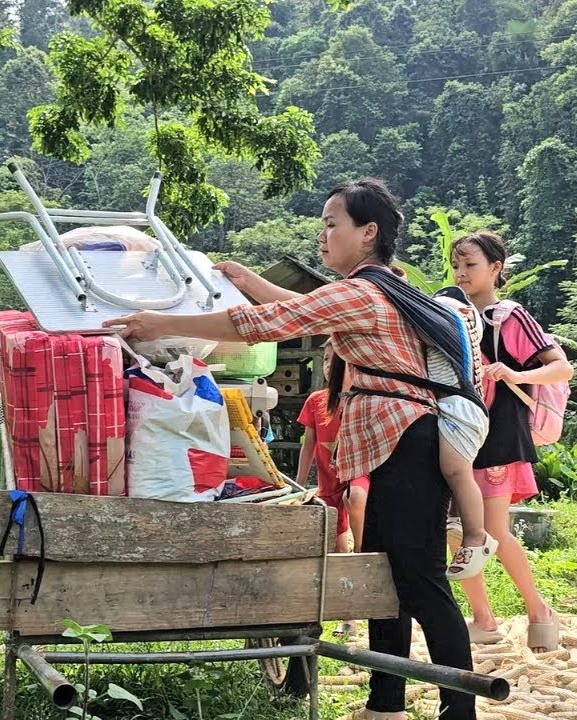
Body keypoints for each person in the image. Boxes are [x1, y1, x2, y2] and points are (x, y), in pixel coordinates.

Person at [119, 179, 476, 720]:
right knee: (386, 575)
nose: (323, 235)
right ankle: (386, 705)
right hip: (397, 444)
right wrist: (246, 278)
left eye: (333, 224)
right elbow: (306, 310)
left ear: (369, 232)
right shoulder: (380, 289)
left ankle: (462, 708)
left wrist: (160, 322)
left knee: (419, 578)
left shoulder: (361, 291)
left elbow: (265, 325)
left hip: (408, 442)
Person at [447, 231, 570, 652]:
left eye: (471, 265)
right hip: (458, 435)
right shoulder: (451, 315)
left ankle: (539, 612)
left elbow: (561, 368)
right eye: (457, 266)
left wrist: (516, 374)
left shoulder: (508, 316)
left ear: (496, 268)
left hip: (498, 435)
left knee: (493, 529)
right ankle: (484, 618)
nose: (462, 273)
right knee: (457, 530)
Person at [295, 341, 370, 638]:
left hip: (356, 479)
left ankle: (366, 548)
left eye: (337, 361)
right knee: (338, 550)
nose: (330, 366)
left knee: (357, 498)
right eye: (325, 360)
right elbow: (308, 445)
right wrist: (299, 485)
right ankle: (348, 617)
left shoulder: (364, 401)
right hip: (328, 486)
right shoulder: (316, 401)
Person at [426, 287, 496, 580]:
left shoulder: (447, 318)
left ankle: (476, 536)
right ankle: (460, 523)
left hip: (459, 405)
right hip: (462, 406)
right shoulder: (465, 322)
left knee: (456, 471)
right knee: (452, 471)